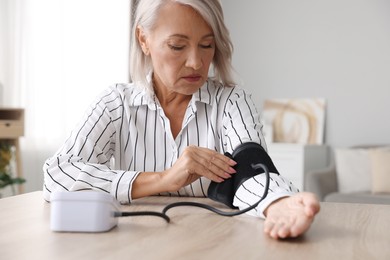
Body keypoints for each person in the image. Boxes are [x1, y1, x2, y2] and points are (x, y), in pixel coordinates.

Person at [43, 0, 320, 239]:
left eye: (206, 45)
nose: (196, 63)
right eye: (177, 46)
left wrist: (278, 202)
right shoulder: (116, 103)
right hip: (133, 243)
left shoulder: (232, 100)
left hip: (214, 242)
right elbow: (58, 175)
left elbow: (249, 164)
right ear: (144, 40)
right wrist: (163, 179)